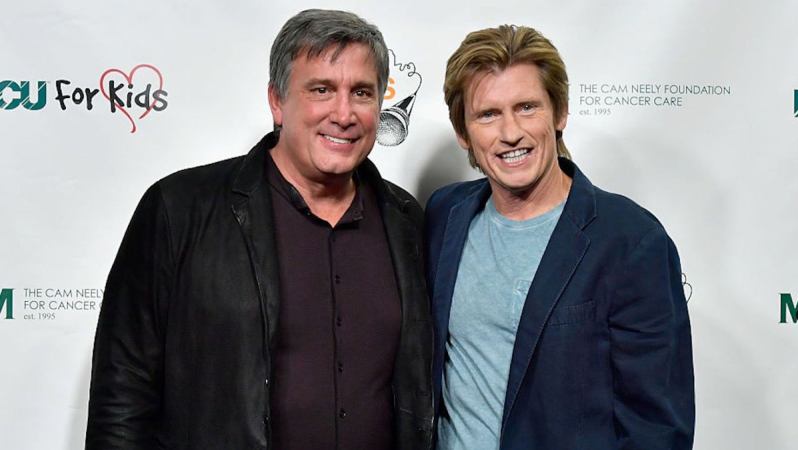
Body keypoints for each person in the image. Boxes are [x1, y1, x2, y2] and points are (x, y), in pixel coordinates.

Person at [86, 9, 433, 450]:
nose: (344, 114)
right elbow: (123, 393)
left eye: (361, 92)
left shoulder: (406, 219)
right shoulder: (179, 209)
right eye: (322, 90)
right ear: (277, 101)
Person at [425, 25, 694, 449]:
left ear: (560, 113)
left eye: (527, 107)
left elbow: (657, 429)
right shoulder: (445, 215)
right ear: (464, 133)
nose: (510, 132)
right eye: (488, 114)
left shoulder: (631, 241)